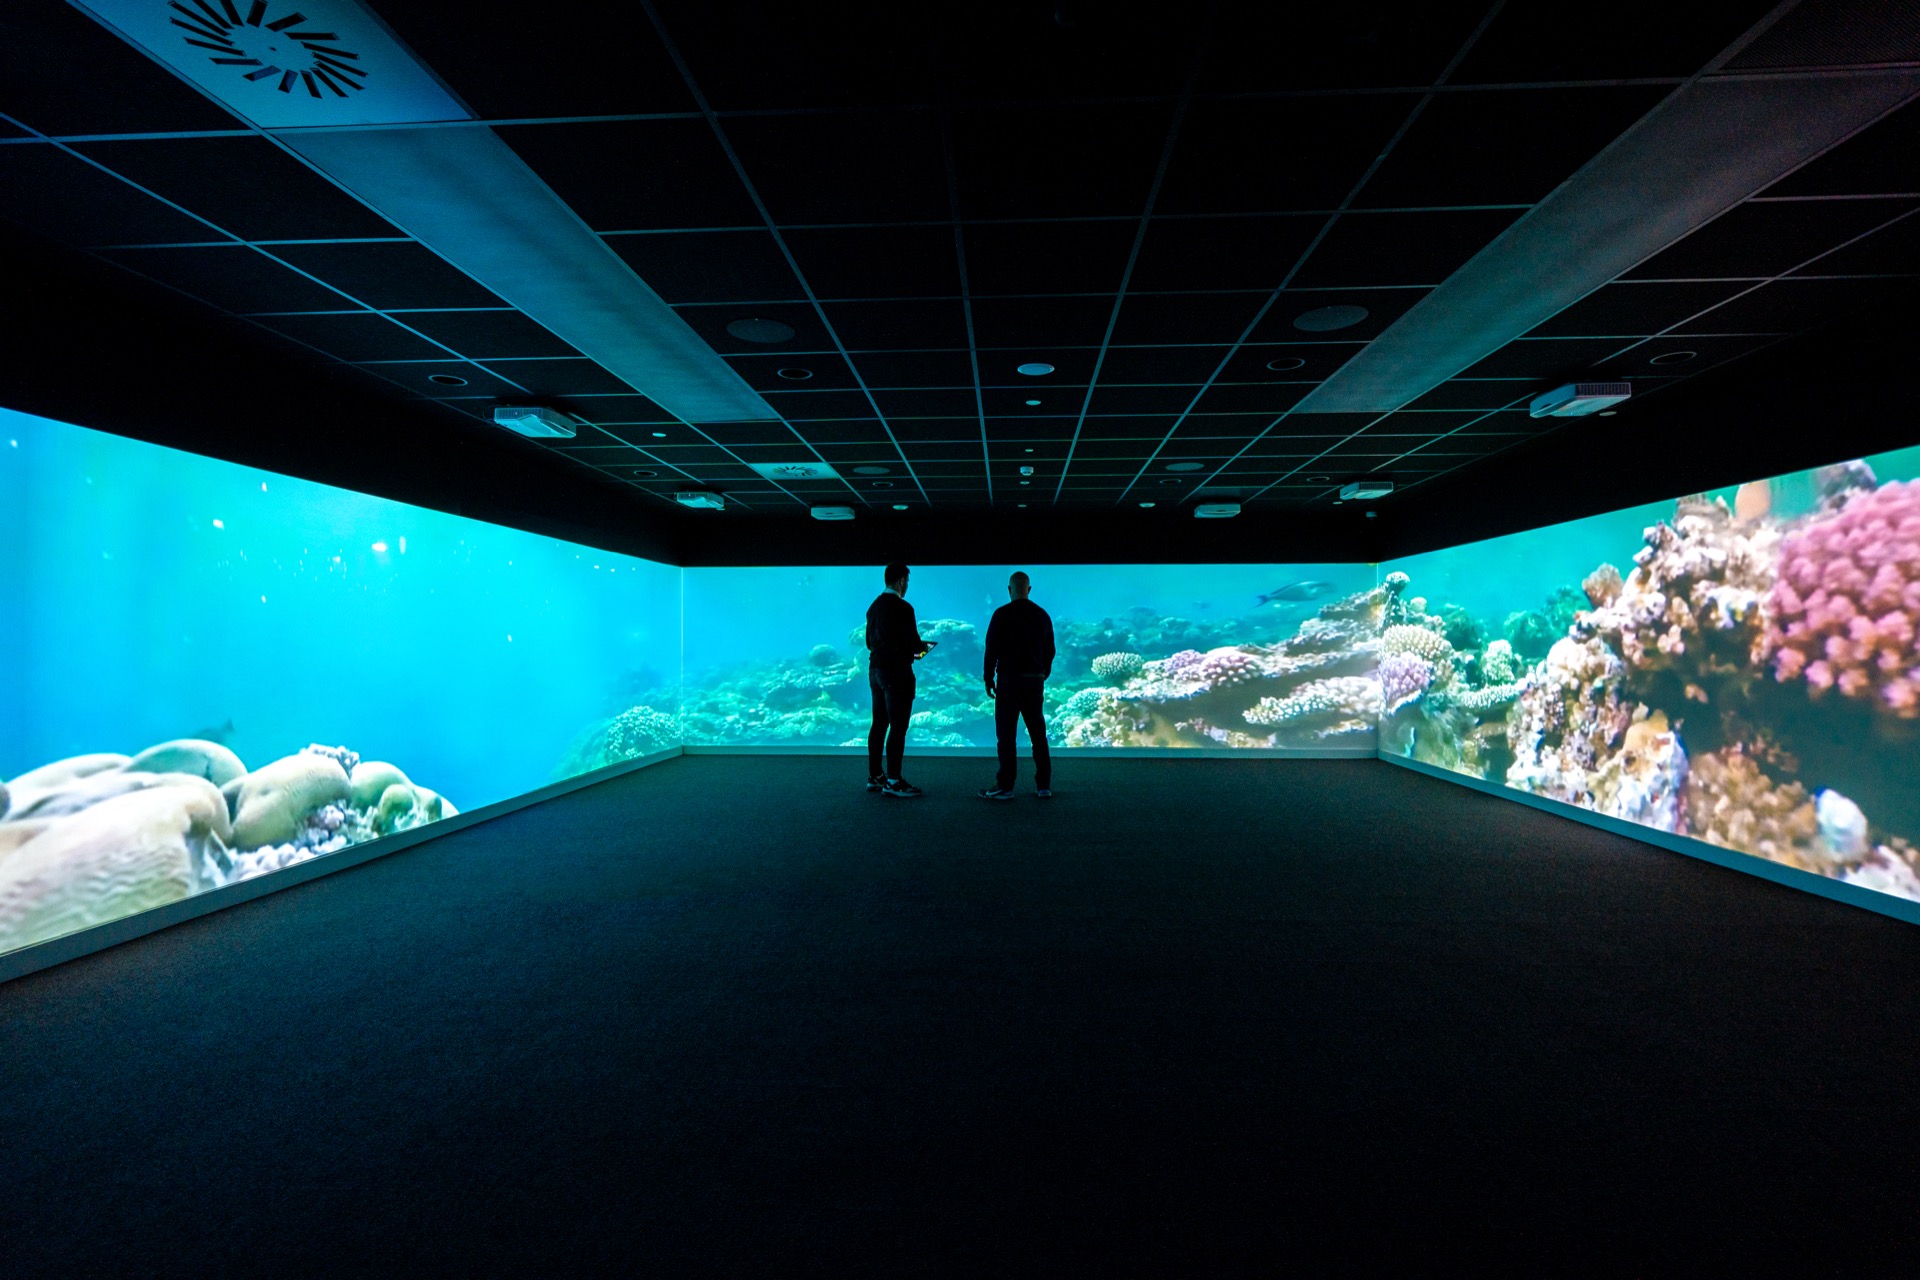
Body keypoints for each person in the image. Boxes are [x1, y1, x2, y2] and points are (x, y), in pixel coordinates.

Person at [979, 571, 1055, 800]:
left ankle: (1006, 785)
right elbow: (1050, 650)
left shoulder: (1001, 614)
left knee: (1006, 734)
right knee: (1038, 733)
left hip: (1008, 682)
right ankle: (1044, 785)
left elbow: (990, 648)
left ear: (1009, 589)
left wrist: (988, 677)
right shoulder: (1042, 615)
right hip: (1033, 681)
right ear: (1029, 590)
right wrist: (1042, 673)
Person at [865, 563, 933, 797]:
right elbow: (914, 644)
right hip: (896, 673)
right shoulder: (904, 608)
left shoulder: (873, 607)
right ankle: (893, 780)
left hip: (875, 671)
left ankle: (875, 776)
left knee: (879, 723)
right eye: (907, 582)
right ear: (902, 581)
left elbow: (868, 643)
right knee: (898, 726)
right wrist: (922, 649)